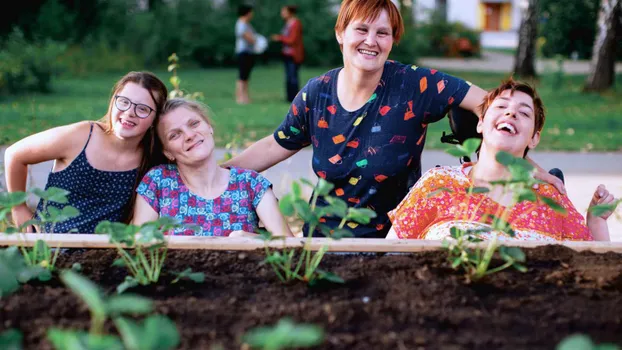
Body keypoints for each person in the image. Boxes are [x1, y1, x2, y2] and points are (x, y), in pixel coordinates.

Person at [223, 0, 563, 238]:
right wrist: (217, 172)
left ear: (392, 41)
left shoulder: (417, 85)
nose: (371, 41)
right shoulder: (317, 93)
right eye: (361, 29)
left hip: (395, 239)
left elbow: (494, 108)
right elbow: (275, 143)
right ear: (341, 33)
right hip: (323, 241)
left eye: (382, 33)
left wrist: (531, 168)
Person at [386, 79, 616, 241]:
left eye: (524, 113)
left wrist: (596, 222)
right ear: (480, 124)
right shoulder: (438, 183)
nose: (511, 113)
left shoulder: (550, 198)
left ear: (534, 138)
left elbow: (593, 272)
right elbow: (390, 256)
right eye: (502, 107)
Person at [4, 71, 168, 233]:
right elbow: (15, 155)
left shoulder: (152, 159)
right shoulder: (82, 136)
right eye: (124, 102)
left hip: (104, 255)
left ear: (156, 119)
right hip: (49, 247)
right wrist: (18, 208)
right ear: (113, 102)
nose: (130, 112)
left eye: (142, 109)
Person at [132, 98, 292, 237]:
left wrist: (252, 240)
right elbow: (138, 246)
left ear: (209, 126)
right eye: (175, 135)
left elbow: (289, 247)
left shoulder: (250, 183)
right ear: (167, 151)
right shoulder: (158, 182)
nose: (189, 135)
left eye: (194, 124)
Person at [271, 5, 305, 102]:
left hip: (293, 55)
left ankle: (295, 98)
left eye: (284, 12)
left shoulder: (296, 23)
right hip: (286, 54)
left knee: (293, 77)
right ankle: (289, 98)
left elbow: (292, 40)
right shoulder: (287, 23)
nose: (282, 14)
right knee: (288, 76)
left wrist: (279, 38)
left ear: (290, 13)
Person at [235, 4, 258, 105]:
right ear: (247, 13)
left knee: (246, 76)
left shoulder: (247, 24)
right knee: (242, 76)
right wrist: (256, 41)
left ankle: (245, 97)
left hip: (248, 52)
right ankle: (240, 97)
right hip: (243, 52)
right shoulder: (241, 23)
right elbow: (246, 36)